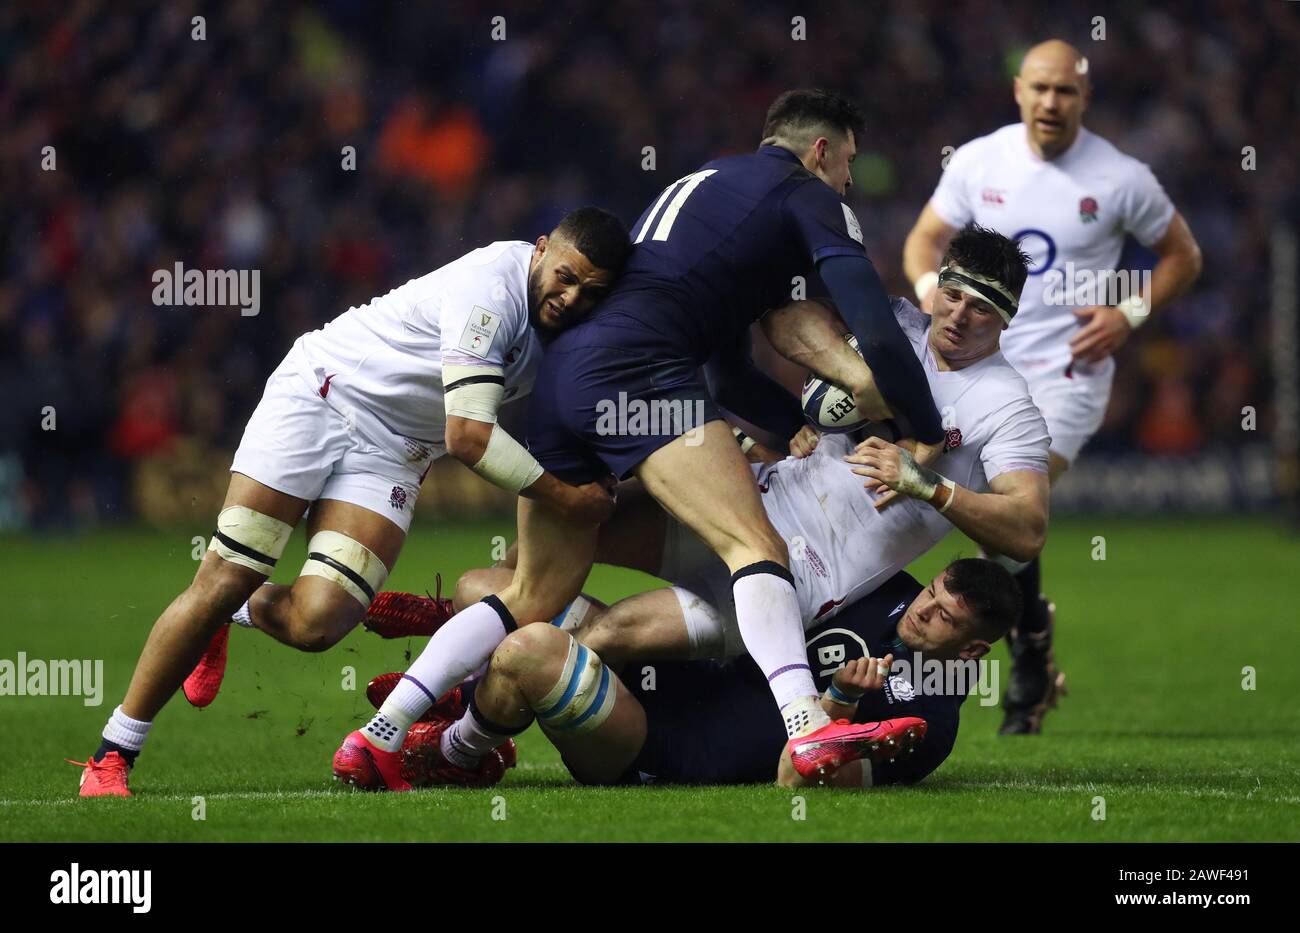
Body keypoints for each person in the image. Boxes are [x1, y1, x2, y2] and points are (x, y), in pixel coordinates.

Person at [335, 88, 950, 791]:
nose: (848, 181)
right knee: (756, 546)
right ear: (820, 150)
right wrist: (923, 431)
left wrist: (792, 429)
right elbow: (872, 321)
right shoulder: (804, 193)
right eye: (847, 162)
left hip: (565, 379)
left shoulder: (710, 186)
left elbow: (733, 377)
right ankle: (809, 731)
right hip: (639, 375)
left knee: (533, 592)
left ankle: (382, 735)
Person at [364, 224, 1050, 786]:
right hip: (747, 501)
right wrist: (848, 373)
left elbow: (1026, 527)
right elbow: (787, 311)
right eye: (953, 295)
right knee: (544, 549)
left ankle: (462, 735)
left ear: (1005, 317)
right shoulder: (897, 326)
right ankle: (475, 673)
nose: (958, 315)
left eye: (980, 307)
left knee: (605, 636)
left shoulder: (1005, 404)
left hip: (798, 571)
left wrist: (931, 485)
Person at [70, 208, 630, 797]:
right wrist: (566, 497)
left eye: (590, 291)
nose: (571, 298)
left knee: (318, 624)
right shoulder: (492, 289)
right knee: (223, 574)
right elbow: (469, 437)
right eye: (566, 276)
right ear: (541, 250)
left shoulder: (571, 331)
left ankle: (234, 612)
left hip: (395, 450)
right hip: (322, 394)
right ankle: (112, 754)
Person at [902, 39, 1202, 734]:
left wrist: (1129, 313)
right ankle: (1032, 637)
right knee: (986, 521)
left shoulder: (1121, 177)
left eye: (1064, 91)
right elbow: (923, 240)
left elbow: (1184, 257)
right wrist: (930, 295)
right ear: (1018, 91)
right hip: (979, 369)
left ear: (1083, 98)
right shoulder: (979, 161)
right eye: (1039, 88)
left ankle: (1027, 655)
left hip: (1066, 375)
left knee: (1007, 506)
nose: (1050, 102)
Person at [370, 560, 1018, 790]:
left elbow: (797, 777)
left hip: (652, 744)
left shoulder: (931, 722)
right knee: (486, 584)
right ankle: (475, 711)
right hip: (659, 670)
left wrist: (841, 701)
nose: (921, 611)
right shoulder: (880, 589)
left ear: (970, 652)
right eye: (931, 593)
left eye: (942, 618)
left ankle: (459, 744)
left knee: (530, 648)